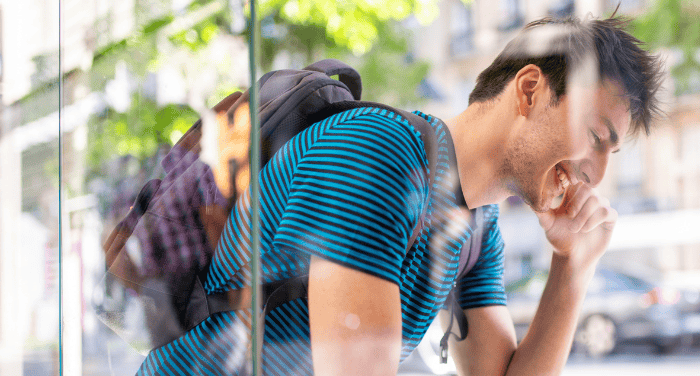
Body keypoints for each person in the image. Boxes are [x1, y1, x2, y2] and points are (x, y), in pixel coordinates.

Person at [135, 15, 662, 375]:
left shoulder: (476, 222)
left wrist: (572, 267)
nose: (596, 174)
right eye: (596, 139)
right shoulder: (377, 152)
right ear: (529, 90)